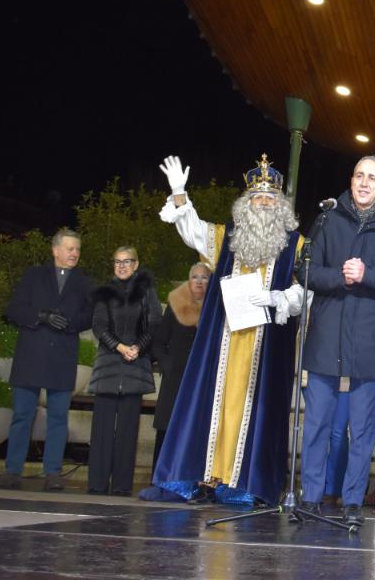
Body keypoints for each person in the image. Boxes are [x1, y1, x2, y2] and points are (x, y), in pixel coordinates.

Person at [152, 154, 306, 505]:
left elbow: (304, 292)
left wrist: (278, 297)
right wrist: (179, 193)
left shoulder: (296, 245)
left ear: (280, 205)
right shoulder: (227, 238)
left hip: (264, 348)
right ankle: (207, 476)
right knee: (215, 406)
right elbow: (193, 231)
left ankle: (242, 482)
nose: (263, 204)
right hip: (222, 342)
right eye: (257, 198)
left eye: (270, 198)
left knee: (253, 410)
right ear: (246, 203)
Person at [298, 156, 375, 528]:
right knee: (316, 422)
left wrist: (367, 275)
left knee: (362, 426)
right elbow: (303, 270)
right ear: (351, 180)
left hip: (370, 339)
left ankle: (352, 500)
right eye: (360, 176)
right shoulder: (327, 220)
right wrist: (340, 277)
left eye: (373, 179)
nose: (365, 183)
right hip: (325, 336)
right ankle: (310, 497)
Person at [0, 228, 94, 491]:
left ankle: (53, 473)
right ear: (55, 250)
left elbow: (91, 315)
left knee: (58, 418)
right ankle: (12, 471)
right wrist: (41, 316)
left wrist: (70, 324)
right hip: (31, 355)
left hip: (62, 357)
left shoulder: (84, 282)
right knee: (22, 416)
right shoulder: (33, 275)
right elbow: (14, 308)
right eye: (70, 248)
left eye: (77, 249)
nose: (74, 253)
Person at [86, 246, 162, 495]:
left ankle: (121, 486)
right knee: (102, 431)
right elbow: (98, 325)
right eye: (117, 261)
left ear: (136, 264)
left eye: (127, 261)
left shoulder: (147, 291)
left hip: (135, 366)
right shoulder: (104, 292)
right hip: (108, 365)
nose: (122, 266)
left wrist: (137, 348)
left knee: (128, 431)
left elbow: (154, 323)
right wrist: (119, 347)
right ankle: (97, 484)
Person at [150, 262, 211, 470]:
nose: (199, 282)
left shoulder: (214, 311)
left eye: (204, 277)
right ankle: (161, 477)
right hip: (175, 379)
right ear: (189, 279)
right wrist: (168, 365)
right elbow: (158, 342)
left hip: (200, 380)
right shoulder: (175, 304)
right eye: (195, 277)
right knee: (167, 429)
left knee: (194, 430)